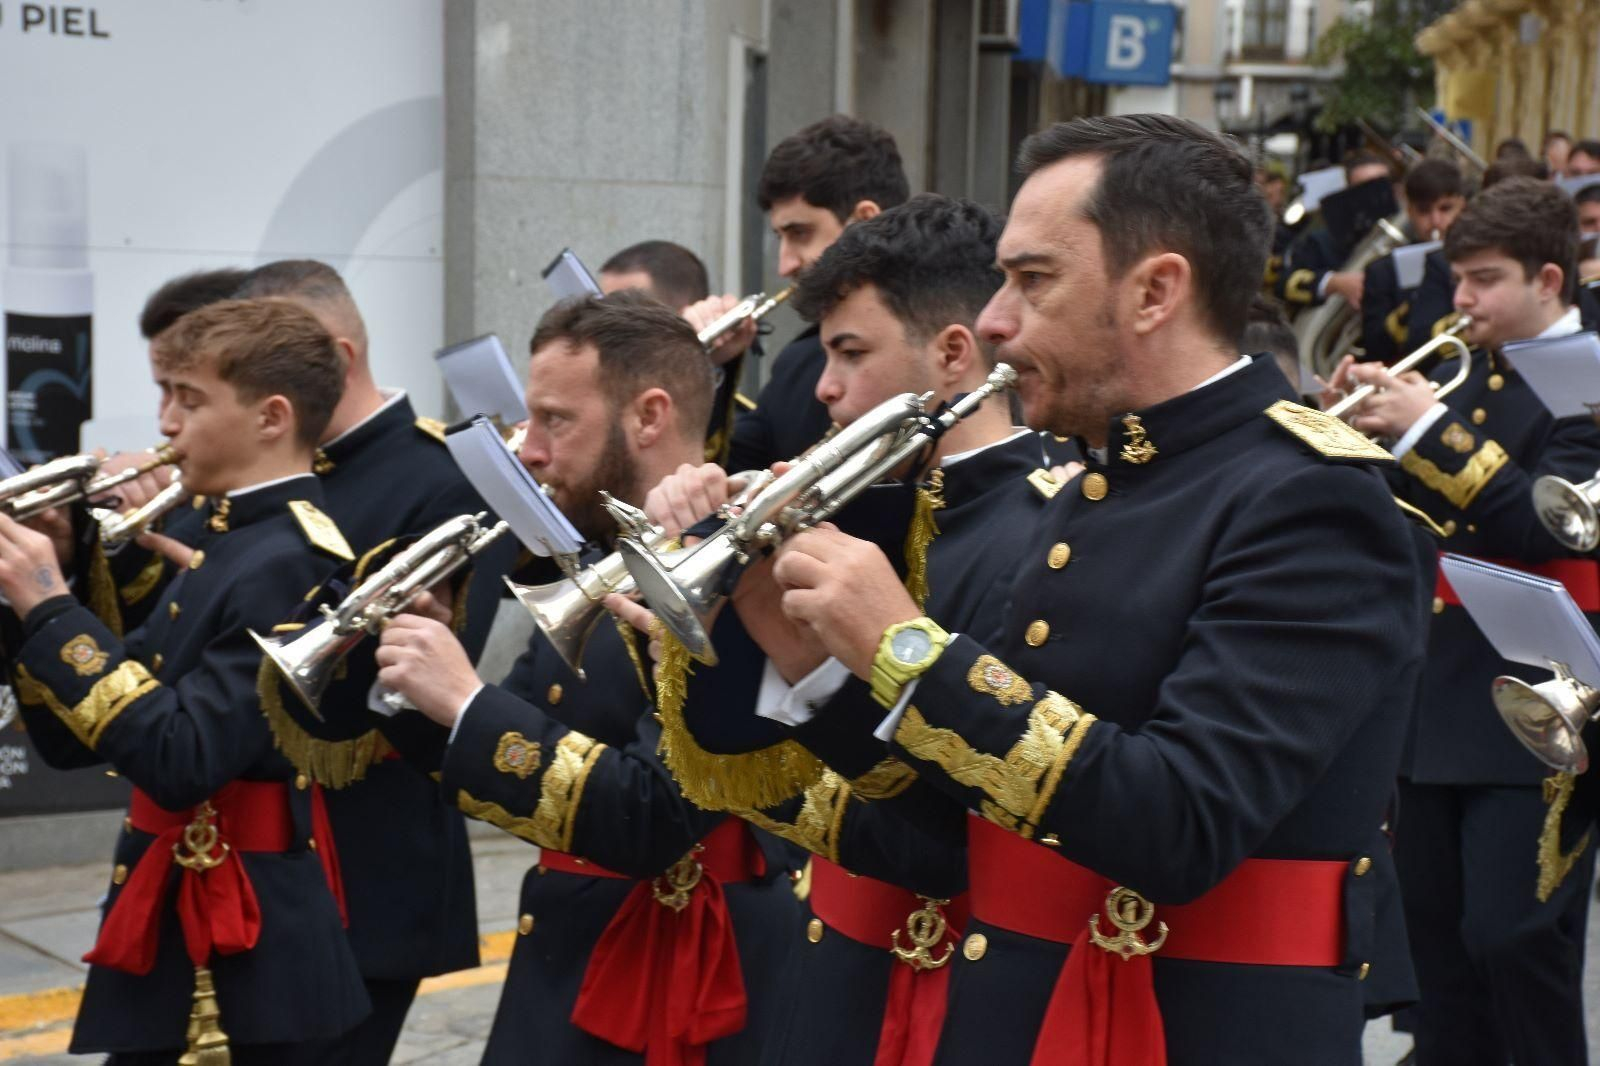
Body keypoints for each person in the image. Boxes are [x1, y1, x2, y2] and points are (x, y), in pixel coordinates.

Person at [732, 114, 1424, 1065]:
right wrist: (818, 662)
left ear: (1155, 291)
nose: (991, 321)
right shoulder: (1099, 475)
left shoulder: (1312, 498)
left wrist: (906, 648)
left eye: (1032, 280)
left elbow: (1182, 820)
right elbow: (956, 834)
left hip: (1187, 1032)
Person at [632, 193, 1061, 1066]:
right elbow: (741, 769)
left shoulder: (1039, 527)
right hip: (835, 953)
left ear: (951, 355)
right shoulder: (867, 510)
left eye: (850, 353)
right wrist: (713, 610)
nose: (823, 387)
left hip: (951, 980)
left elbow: (947, 824)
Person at [367, 290, 800, 1065]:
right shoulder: (598, 562)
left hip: (678, 978)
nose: (527, 449)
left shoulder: (740, 569)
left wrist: (466, 701)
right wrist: (411, 679)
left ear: (649, 415)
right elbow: (509, 757)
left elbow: (655, 814)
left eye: (555, 421)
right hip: (576, 951)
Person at [0, 299, 370, 1063]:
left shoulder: (291, 558)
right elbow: (77, 744)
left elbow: (182, 756)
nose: (165, 423)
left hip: (244, 939)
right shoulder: (222, 537)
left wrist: (53, 608)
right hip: (178, 906)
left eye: (189, 399)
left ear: (272, 417)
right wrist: (51, 580)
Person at [1329, 175, 1600, 1066]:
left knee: (1514, 938)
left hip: (1543, 699)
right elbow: (1405, 517)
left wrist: (1425, 431)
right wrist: (1356, 434)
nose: (1462, 300)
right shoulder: (1462, 374)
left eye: (1485, 278)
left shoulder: (1588, 385)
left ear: (1549, 280)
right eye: (1458, 278)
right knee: (1435, 939)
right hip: (1437, 696)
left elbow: (1548, 524)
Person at [224, 259, 504, 1066]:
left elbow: (425, 687)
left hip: (370, 866)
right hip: (260, 863)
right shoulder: (274, 475)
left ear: (336, 359)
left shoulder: (441, 477)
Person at [694, 115, 909, 473]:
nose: (785, 265)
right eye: (780, 238)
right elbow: (723, 478)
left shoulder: (926, 351)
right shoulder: (797, 362)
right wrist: (707, 367)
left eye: (801, 233)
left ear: (865, 221)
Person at [1362, 159, 1467, 362]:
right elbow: (1375, 349)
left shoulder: (1480, 259)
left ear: (1462, 206)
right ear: (1409, 211)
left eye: (1445, 209)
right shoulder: (1383, 271)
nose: (1436, 221)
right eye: (1424, 211)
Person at [1277, 150, 1394, 311]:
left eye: (1381, 186)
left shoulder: (1410, 236)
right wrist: (1333, 282)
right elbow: (1284, 284)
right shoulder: (1322, 242)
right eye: (1362, 189)